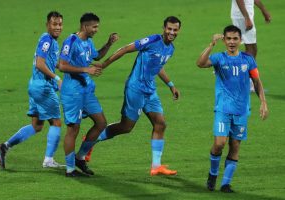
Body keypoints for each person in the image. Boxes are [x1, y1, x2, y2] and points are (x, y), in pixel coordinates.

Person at [85, 16, 181, 176]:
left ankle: (156, 166)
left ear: (178, 31)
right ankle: (91, 140)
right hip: (135, 89)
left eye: (175, 29)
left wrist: (171, 85)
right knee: (126, 127)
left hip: (150, 91)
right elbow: (125, 49)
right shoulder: (152, 40)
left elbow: (157, 67)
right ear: (164, 28)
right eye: (169, 28)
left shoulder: (170, 49)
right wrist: (104, 64)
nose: (171, 32)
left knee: (160, 124)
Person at [196, 25, 268, 193]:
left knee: (235, 146)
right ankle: (213, 174)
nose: (232, 42)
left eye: (235, 39)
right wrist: (211, 44)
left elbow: (257, 81)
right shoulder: (219, 58)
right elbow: (200, 63)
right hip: (223, 109)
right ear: (224, 40)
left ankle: (225, 184)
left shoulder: (248, 59)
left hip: (242, 110)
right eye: (228, 39)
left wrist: (263, 102)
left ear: (241, 41)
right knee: (219, 144)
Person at [0, 11, 64, 169]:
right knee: (56, 122)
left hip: (34, 86)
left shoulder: (49, 40)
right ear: (47, 25)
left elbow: (51, 62)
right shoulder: (47, 40)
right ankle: (48, 160)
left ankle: (5, 146)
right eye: (54, 24)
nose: (58, 27)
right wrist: (56, 78)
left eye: (60, 24)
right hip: (43, 87)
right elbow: (40, 63)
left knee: (37, 125)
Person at [58, 12, 118, 177]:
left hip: (87, 91)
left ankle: (80, 157)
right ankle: (70, 169)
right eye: (94, 27)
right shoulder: (71, 41)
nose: (96, 30)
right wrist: (86, 69)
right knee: (73, 129)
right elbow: (61, 66)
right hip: (73, 92)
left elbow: (96, 55)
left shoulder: (88, 41)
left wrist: (108, 43)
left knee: (101, 123)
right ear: (85, 26)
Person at [231, 0, 271, 91]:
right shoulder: (244, 16)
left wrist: (263, 10)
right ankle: (245, 82)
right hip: (242, 16)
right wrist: (246, 18)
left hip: (245, 15)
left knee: (252, 49)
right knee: (251, 49)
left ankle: (243, 79)